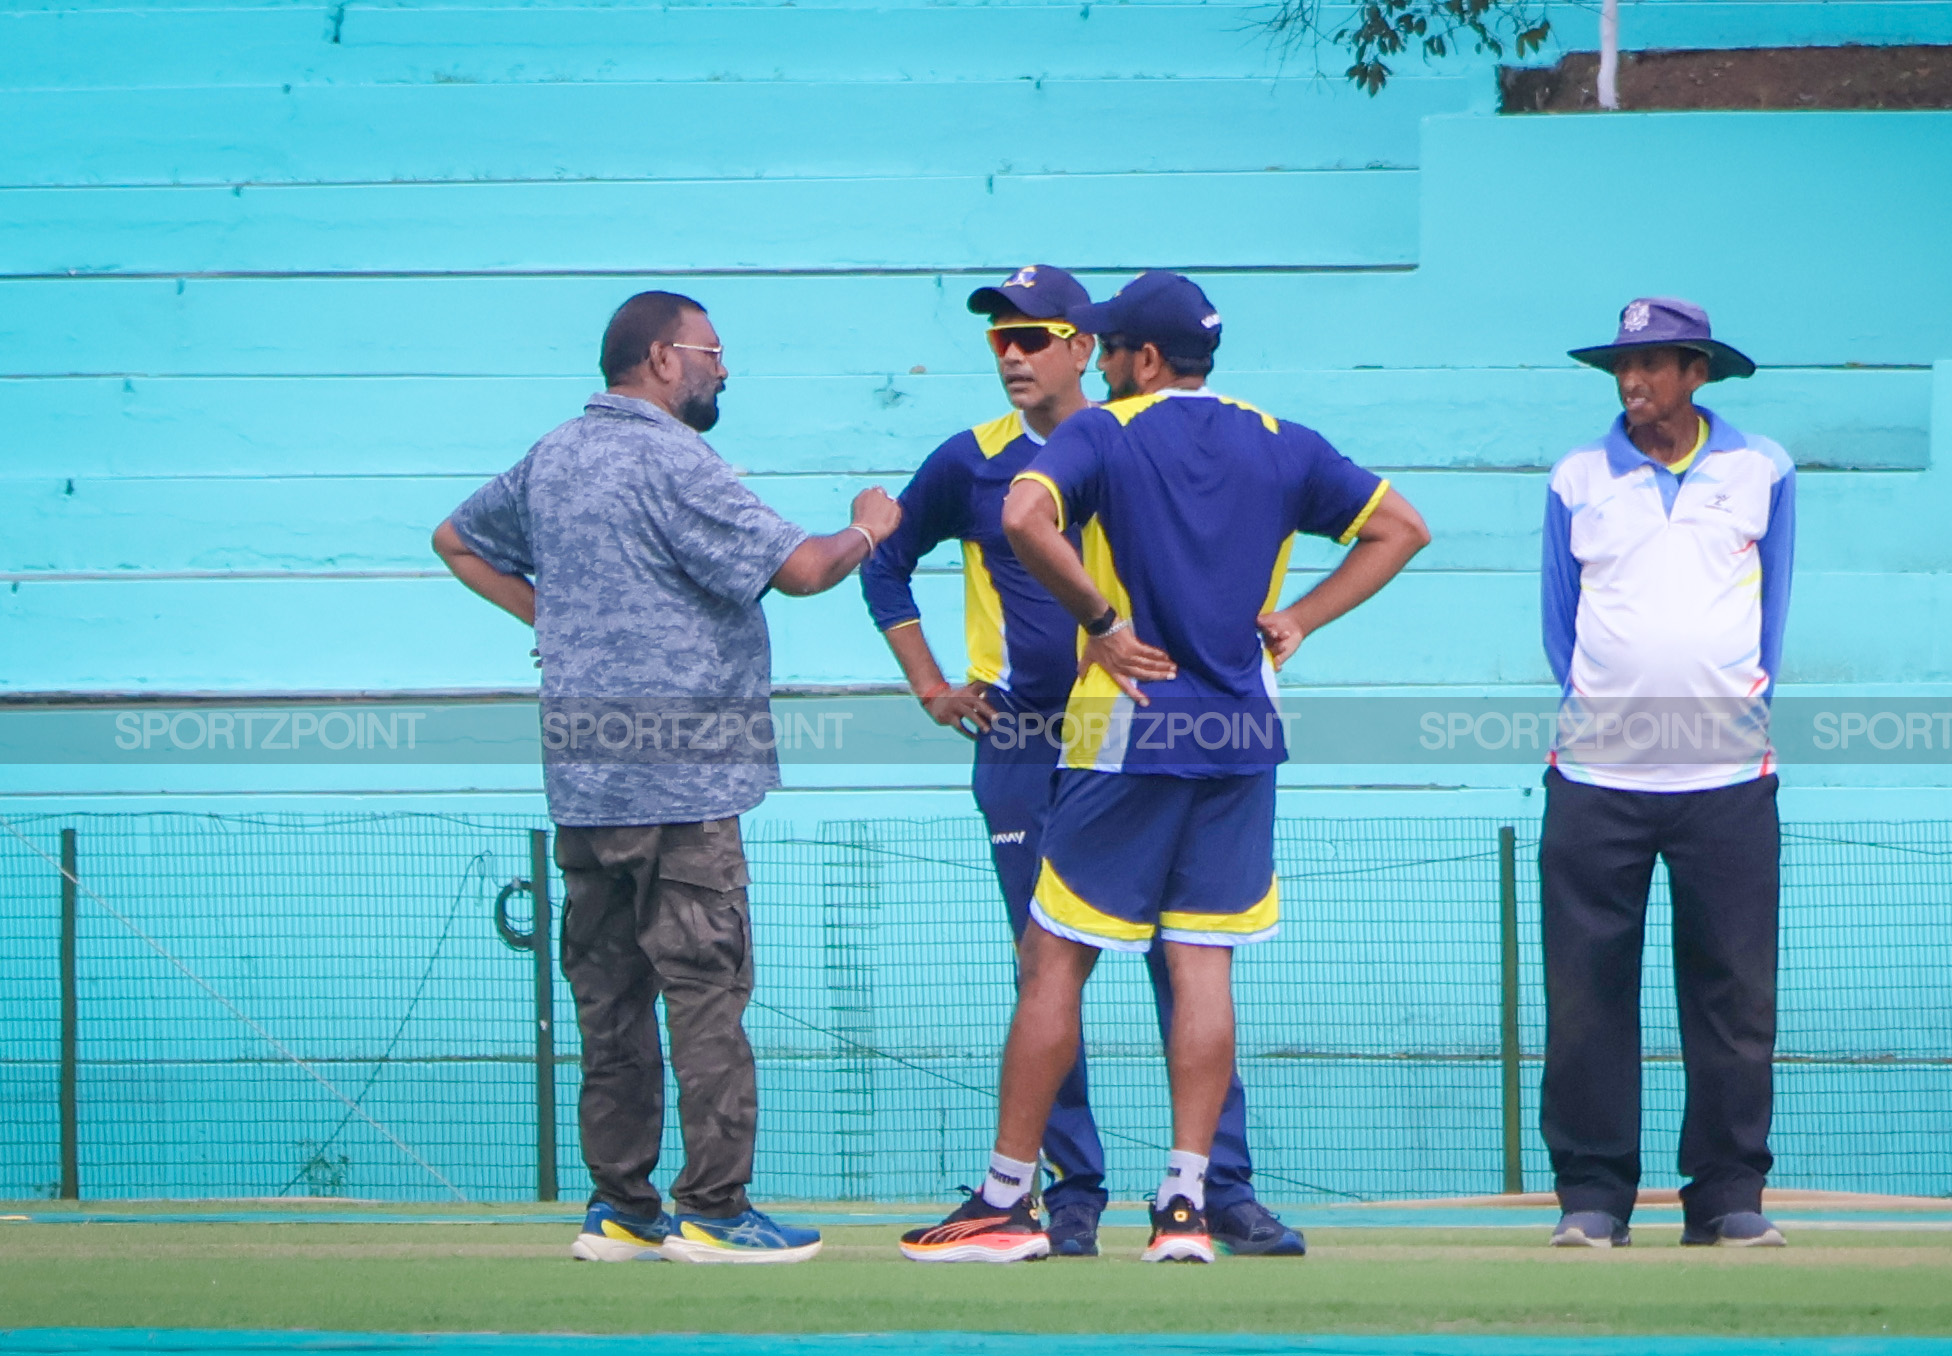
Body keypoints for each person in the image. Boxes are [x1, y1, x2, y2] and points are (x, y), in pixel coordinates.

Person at [897, 271, 1429, 1264]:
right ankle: (1184, 1203)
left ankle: (1009, 1200)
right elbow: (1403, 528)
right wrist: (1301, 617)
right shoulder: (1282, 440)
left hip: (1131, 726)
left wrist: (1100, 625)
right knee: (1200, 963)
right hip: (1240, 736)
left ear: (1139, 359)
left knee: (1055, 958)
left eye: (1107, 351)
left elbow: (1021, 518)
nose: (1098, 365)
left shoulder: (1102, 432)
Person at [433, 290, 903, 1264]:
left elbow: (456, 541)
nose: (724, 369)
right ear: (659, 357)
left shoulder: (553, 455)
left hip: (584, 780)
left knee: (608, 1002)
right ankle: (716, 1212)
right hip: (683, 785)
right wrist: (867, 527)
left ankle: (620, 1209)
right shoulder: (674, 460)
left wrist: (555, 627)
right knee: (706, 995)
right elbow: (805, 570)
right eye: (712, 351)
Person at [1538, 296, 1795, 1249]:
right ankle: (1593, 1198)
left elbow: (1773, 603)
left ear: (1697, 372)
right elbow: (1558, 625)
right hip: (1596, 778)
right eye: (1620, 367)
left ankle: (1727, 1195)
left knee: (1734, 997)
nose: (1632, 382)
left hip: (1727, 778)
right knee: (1585, 995)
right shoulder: (1575, 477)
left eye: (1651, 364)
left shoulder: (1760, 468)